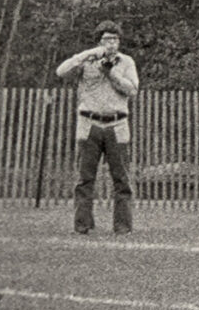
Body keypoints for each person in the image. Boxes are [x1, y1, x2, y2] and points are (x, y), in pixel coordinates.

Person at [55, 20, 139, 235]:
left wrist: (111, 73)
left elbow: (132, 90)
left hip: (117, 124)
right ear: (99, 41)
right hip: (88, 124)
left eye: (114, 39)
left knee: (121, 180)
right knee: (85, 179)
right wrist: (88, 54)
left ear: (119, 42)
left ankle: (123, 227)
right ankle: (82, 225)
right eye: (106, 39)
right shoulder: (86, 59)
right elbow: (61, 71)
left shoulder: (126, 62)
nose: (110, 43)